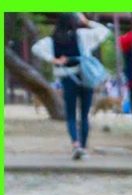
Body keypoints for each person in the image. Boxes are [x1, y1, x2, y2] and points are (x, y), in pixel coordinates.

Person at [31, 12, 111, 160]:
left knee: (71, 115)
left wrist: (53, 59)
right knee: (84, 115)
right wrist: (87, 22)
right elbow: (105, 31)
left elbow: (35, 48)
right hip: (86, 78)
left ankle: (76, 145)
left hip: (68, 79)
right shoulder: (82, 35)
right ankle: (83, 148)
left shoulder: (51, 41)